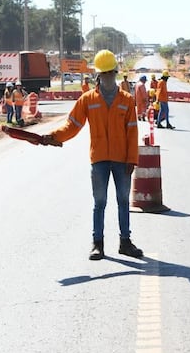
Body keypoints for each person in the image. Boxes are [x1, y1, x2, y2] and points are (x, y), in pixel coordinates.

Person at [38, 49, 143, 261]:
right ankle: (98, 244)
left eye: (110, 74)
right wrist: (53, 136)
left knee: (123, 201)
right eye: (104, 75)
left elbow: (133, 131)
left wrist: (132, 159)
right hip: (99, 159)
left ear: (115, 72)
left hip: (122, 160)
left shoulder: (126, 100)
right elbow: (73, 125)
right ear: (98, 76)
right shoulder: (88, 100)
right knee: (100, 202)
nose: (108, 78)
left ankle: (125, 242)